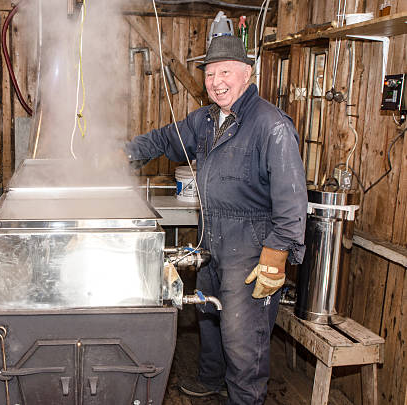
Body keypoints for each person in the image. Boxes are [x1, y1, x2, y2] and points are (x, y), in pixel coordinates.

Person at [125, 35, 307, 404]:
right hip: (212, 234)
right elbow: (164, 139)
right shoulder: (207, 119)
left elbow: (292, 200)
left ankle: (245, 398)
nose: (216, 82)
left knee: (244, 337)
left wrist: (276, 254)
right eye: (210, 74)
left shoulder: (271, 125)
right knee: (208, 313)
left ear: (247, 75)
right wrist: (119, 154)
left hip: (252, 240)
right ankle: (211, 377)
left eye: (225, 72)